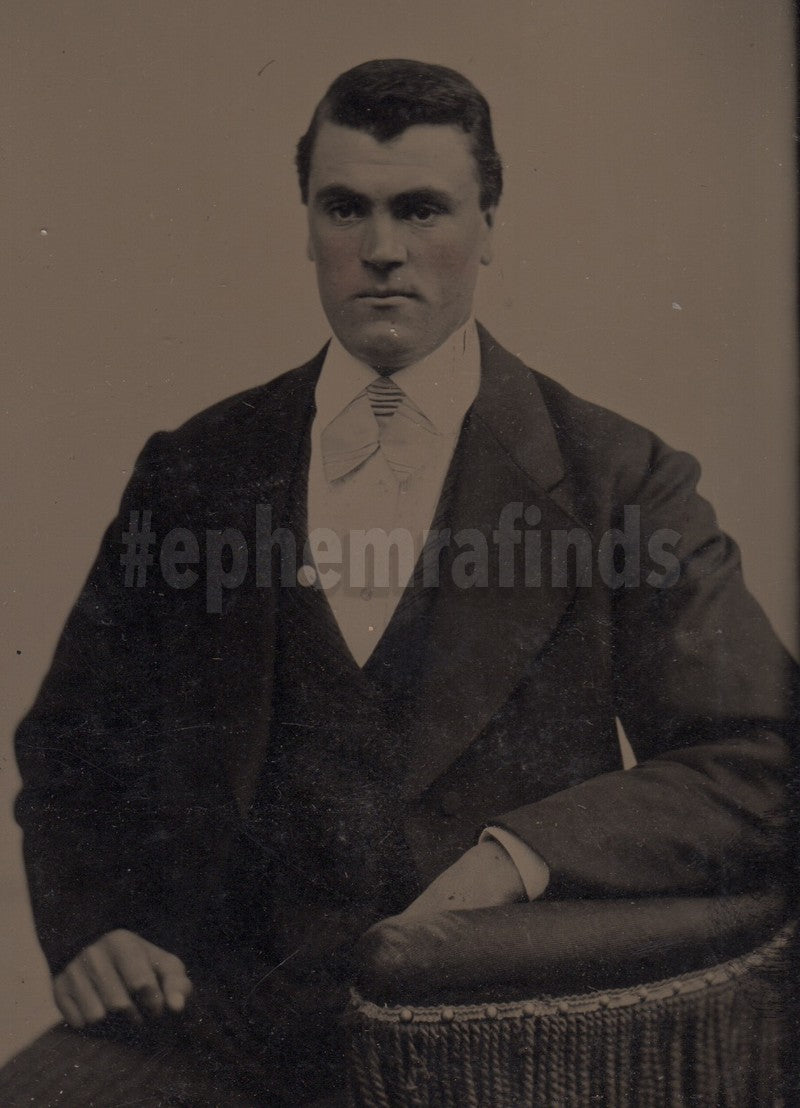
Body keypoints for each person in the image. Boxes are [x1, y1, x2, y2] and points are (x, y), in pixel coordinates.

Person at [2, 59, 796, 1106]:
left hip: (490, 1035)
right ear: (307, 225)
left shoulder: (618, 479)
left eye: (422, 209)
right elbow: (70, 744)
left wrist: (522, 856)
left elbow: (762, 753)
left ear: (488, 224)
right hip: (219, 1033)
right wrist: (93, 918)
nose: (381, 250)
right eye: (346, 208)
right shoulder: (195, 467)